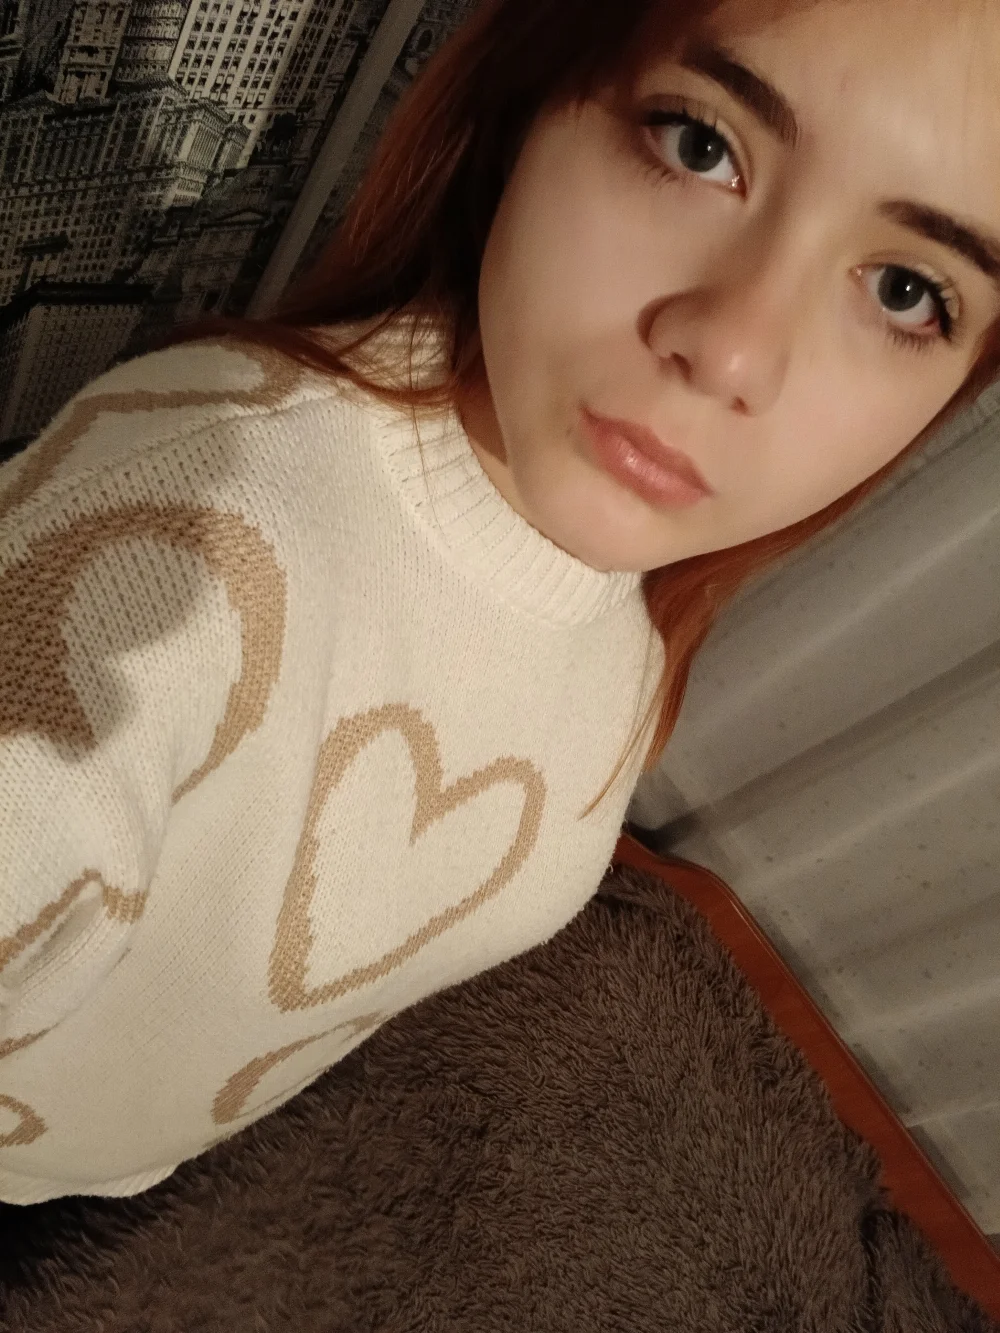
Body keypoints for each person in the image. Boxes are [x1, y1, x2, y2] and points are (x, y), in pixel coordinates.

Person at [2, 0, 999, 1203]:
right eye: (699, 145)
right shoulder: (186, 528)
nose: (733, 351)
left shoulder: (617, 609)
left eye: (905, 290)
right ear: (535, 89)